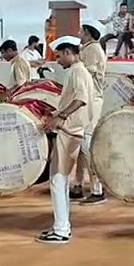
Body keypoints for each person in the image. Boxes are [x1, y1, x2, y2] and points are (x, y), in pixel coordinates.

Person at [36, 36, 96, 244]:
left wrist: (59, 116)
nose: (58, 60)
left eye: (60, 56)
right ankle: (60, 226)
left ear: (69, 53)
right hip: (72, 129)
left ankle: (61, 229)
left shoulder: (77, 72)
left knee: (58, 180)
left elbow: (81, 99)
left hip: (70, 131)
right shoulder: (79, 71)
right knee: (59, 180)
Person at [72, 20, 108, 205]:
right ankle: (77, 184)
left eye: (81, 30)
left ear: (88, 33)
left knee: (87, 144)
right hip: (89, 99)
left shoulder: (93, 50)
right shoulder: (88, 48)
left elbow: (89, 71)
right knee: (80, 144)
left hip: (91, 100)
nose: (79, 32)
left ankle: (98, 189)